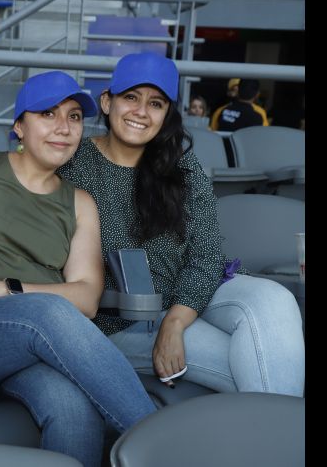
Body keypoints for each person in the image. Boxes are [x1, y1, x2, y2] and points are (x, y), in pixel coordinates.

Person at [0, 71, 157, 467]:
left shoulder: (80, 203)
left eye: (74, 117)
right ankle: (167, 449)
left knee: (74, 408)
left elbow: (87, 297)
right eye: (48, 114)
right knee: (48, 311)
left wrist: (5, 287)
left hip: (31, 346)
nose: (64, 127)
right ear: (19, 125)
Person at [58, 52, 304, 398]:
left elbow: (206, 256)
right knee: (252, 366)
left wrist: (174, 322)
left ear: (166, 115)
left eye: (156, 103)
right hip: (120, 318)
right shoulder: (72, 164)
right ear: (107, 101)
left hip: (192, 293)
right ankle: (275, 445)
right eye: (131, 97)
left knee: (275, 299)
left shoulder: (181, 166)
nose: (141, 112)